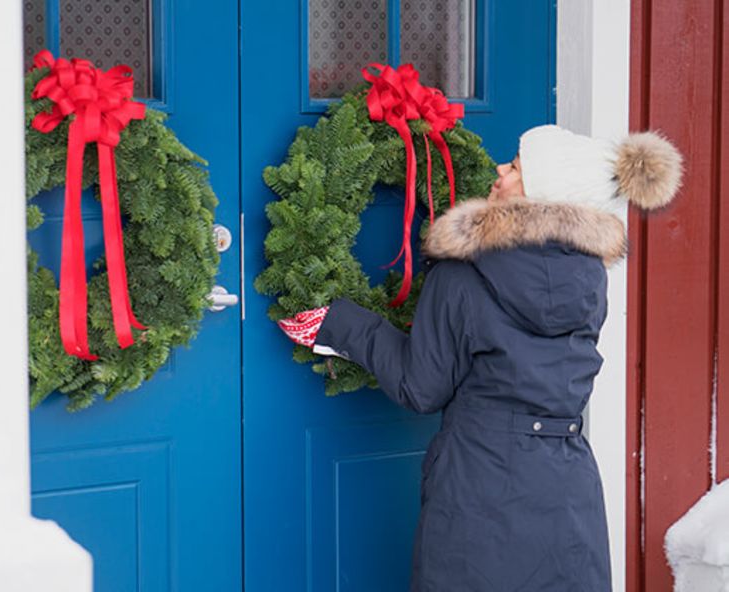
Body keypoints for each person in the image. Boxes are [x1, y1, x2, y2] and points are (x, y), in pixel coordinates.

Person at [277, 124, 683, 591]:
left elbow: (421, 385)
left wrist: (342, 324)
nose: (498, 168)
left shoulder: (466, 273)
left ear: (540, 194)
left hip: (480, 486)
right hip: (567, 491)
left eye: (514, 166)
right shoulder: (588, 278)